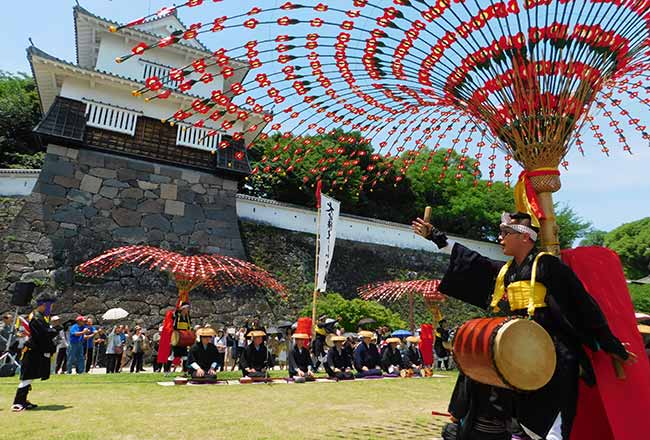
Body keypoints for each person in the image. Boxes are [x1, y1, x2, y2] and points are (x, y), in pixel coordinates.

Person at [412, 211, 636, 439]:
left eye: (505, 233)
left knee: (551, 421)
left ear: (524, 237)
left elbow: (583, 306)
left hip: (553, 351)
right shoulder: (507, 272)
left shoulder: (548, 265)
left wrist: (611, 345)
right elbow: (473, 261)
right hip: (519, 347)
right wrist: (435, 236)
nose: (500, 238)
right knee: (498, 393)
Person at [11, 291, 58, 412]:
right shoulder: (36, 317)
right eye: (50, 305)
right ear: (43, 304)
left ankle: (23, 400)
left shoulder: (41, 316)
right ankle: (18, 402)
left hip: (35, 351)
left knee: (30, 377)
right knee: (27, 377)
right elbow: (42, 334)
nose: (51, 307)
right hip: (32, 351)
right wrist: (55, 330)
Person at [445, 372, 514, 440]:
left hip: (476, 431)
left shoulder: (471, 368)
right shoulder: (513, 373)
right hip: (503, 431)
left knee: (448, 430)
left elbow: (456, 415)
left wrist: (456, 414)